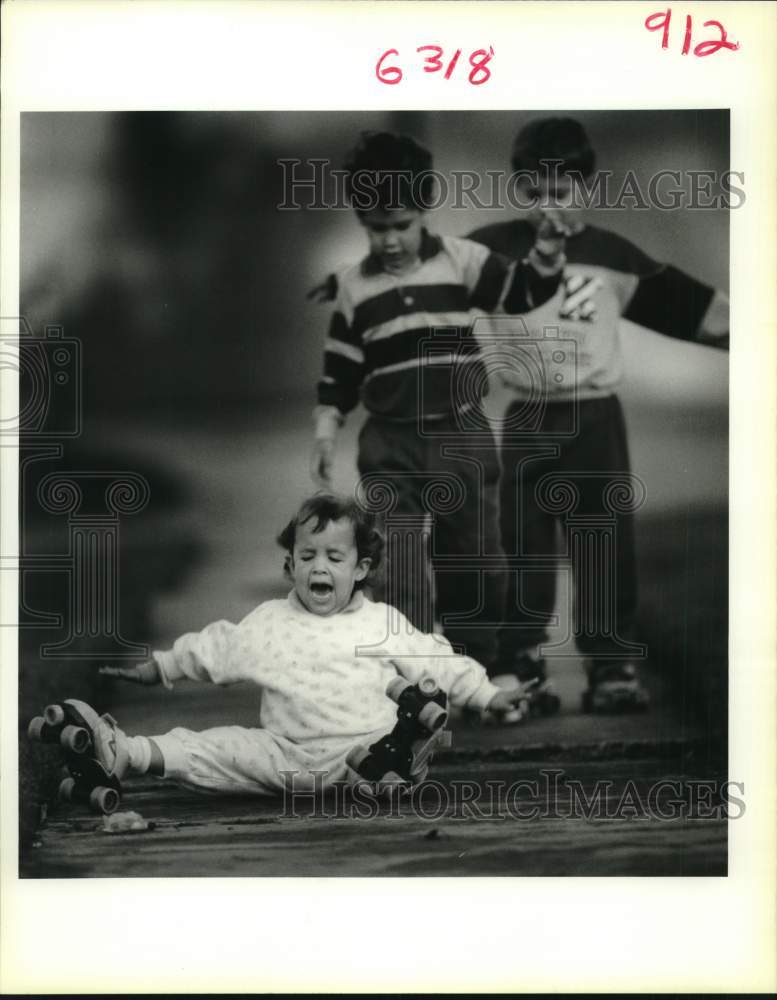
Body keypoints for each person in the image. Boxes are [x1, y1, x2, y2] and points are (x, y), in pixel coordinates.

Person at [467, 116, 729, 712]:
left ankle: (611, 664)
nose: (547, 207)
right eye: (532, 193)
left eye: (560, 193)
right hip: (528, 416)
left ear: (587, 189)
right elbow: (429, 287)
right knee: (520, 543)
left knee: (603, 539)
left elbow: (692, 309)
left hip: (596, 419)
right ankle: (519, 661)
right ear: (515, 190)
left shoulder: (612, 257)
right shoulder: (489, 252)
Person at [50, 494, 528, 796]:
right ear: (290, 565)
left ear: (360, 568)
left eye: (334, 557)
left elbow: (433, 657)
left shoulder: (381, 623)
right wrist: (162, 666)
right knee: (218, 748)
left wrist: (487, 695)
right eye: (307, 556)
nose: (319, 567)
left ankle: (393, 774)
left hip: (366, 751)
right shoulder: (272, 622)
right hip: (286, 757)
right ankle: (124, 754)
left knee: (405, 720)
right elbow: (219, 647)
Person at [310, 130, 567, 678]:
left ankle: (475, 666)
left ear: (424, 211)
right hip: (390, 441)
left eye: (402, 225)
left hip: (461, 435)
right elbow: (340, 372)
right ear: (362, 222)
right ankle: (416, 674)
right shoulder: (355, 289)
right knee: (396, 564)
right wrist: (326, 429)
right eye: (377, 229)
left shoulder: (462, 260)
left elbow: (521, 293)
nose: (391, 241)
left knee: (474, 556)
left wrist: (546, 251)